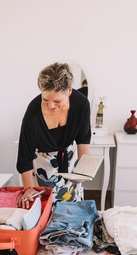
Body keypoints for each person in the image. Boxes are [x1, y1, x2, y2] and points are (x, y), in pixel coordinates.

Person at [16, 62, 91, 208]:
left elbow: (83, 141)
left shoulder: (81, 105)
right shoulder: (32, 115)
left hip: (70, 165)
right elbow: (24, 158)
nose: (50, 106)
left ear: (69, 91)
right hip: (44, 168)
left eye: (57, 101)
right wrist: (29, 189)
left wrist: (83, 172)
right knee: (45, 211)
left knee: (73, 212)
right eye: (45, 100)